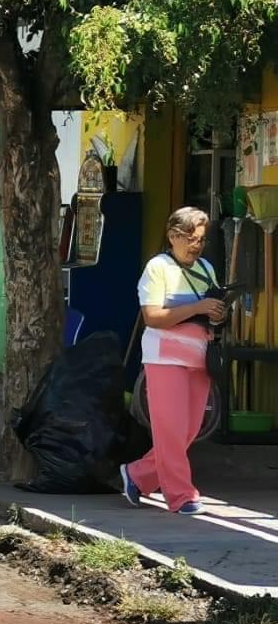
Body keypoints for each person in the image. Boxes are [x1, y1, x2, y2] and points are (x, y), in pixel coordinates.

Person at [121, 206, 226, 515]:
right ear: (172, 236)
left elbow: (210, 312)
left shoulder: (206, 268)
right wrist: (198, 307)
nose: (196, 245)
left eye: (201, 240)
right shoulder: (157, 268)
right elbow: (152, 317)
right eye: (190, 238)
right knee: (171, 431)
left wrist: (217, 314)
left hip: (199, 357)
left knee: (187, 432)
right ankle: (181, 496)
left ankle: (137, 474)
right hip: (165, 358)